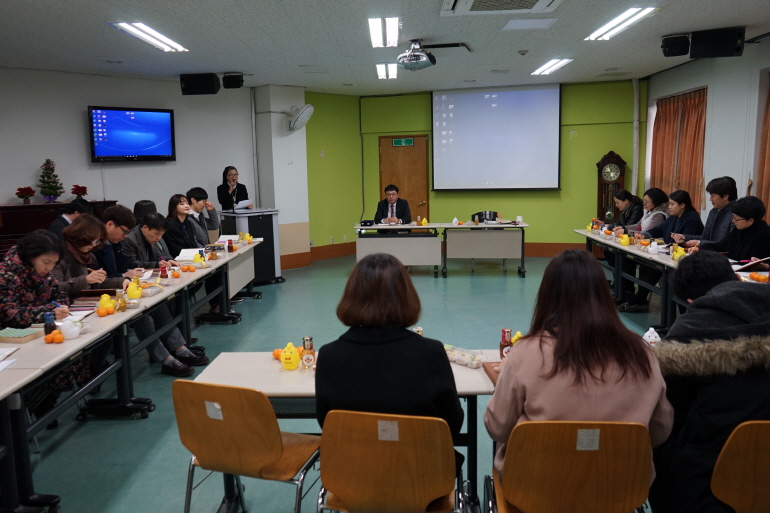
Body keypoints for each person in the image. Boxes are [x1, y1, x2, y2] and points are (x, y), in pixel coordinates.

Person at [484, 249, 673, 478]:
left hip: (537, 488)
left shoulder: (525, 354)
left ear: (547, 295)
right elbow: (660, 430)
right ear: (603, 293)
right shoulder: (642, 354)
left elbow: (497, 427)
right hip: (621, 488)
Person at [648, 250, 770, 513]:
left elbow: (670, 415)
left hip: (708, 481)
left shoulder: (686, 335)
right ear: (736, 277)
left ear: (691, 300)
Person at [315, 253, 464, 455]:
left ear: (351, 296)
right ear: (406, 296)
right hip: (421, 469)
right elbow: (452, 425)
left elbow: (326, 422)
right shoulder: (431, 352)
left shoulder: (329, 355)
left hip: (353, 468)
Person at [619, 190, 704, 313]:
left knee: (657, 272)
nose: (669, 207)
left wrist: (680, 241)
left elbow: (687, 241)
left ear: (682, 205)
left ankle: (640, 300)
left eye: (672, 204)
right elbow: (659, 229)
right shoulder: (673, 217)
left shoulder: (692, 219)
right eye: (669, 204)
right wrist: (645, 235)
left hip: (685, 259)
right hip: (669, 255)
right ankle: (639, 300)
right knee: (647, 266)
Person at [0, 230, 69, 327]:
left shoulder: (43, 274)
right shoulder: (5, 275)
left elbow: (61, 295)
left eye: (54, 263)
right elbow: (7, 314)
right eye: (46, 262)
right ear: (30, 256)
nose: (49, 268)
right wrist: (49, 312)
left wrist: (59, 309)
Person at [699, 196, 770, 261]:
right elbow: (721, 245)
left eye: (736, 219)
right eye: (733, 217)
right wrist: (701, 248)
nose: (733, 221)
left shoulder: (764, 235)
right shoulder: (739, 229)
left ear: (751, 220)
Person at [673, 176, 736, 248]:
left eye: (713, 196)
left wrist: (700, 243)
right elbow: (705, 238)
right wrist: (685, 238)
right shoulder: (713, 212)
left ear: (725, 196)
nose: (710, 199)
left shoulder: (736, 213)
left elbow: (726, 243)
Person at [604, 189, 644, 302]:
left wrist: (611, 227)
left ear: (626, 201)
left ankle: (626, 288)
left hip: (634, 242)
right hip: (627, 241)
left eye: (618, 203)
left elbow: (628, 226)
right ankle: (619, 283)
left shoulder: (637, 209)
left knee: (621, 257)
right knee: (608, 251)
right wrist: (606, 225)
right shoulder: (626, 209)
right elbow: (619, 224)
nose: (616, 206)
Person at [92, 205, 145, 279]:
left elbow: (120, 269)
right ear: (110, 225)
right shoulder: (93, 245)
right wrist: (123, 275)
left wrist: (130, 272)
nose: (125, 236)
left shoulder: (116, 243)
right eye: (125, 231)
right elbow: (96, 278)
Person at [163, 194, 199, 259]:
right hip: (178, 259)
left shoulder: (188, 222)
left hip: (191, 256)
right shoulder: (171, 224)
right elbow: (176, 249)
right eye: (182, 204)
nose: (186, 206)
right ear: (174, 207)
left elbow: (193, 243)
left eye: (187, 203)